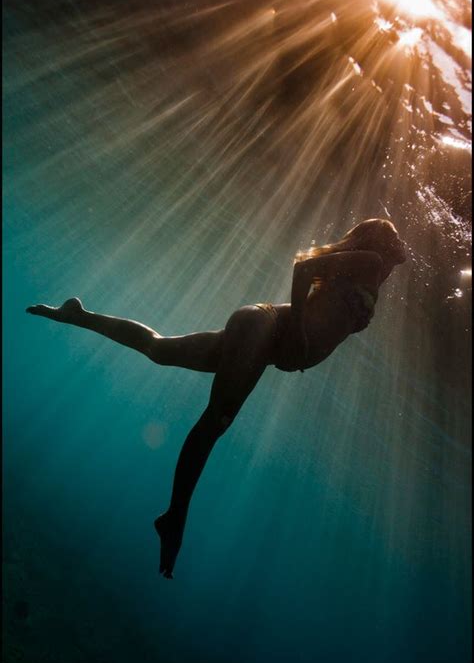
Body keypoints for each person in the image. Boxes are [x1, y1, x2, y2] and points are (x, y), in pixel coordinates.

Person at [26, 218, 407, 578]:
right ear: (382, 246)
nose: (397, 262)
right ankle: (174, 517)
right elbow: (303, 267)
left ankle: (76, 315)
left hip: (263, 338)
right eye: (395, 250)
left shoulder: (368, 276)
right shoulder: (371, 262)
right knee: (216, 422)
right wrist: (298, 331)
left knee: (160, 349)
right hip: (265, 328)